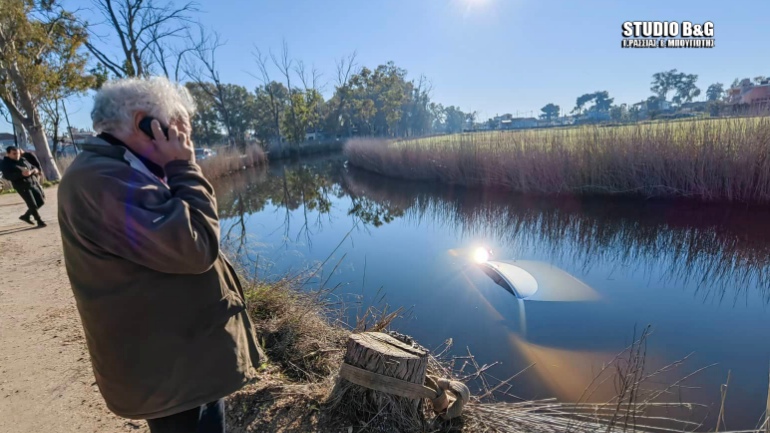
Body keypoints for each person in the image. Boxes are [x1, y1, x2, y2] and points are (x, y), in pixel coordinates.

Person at [57, 76, 264, 433]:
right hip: (168, 373)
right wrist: (184, 166)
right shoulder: (103, 180)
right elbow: (195, 246)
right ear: (145, 123)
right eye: (177, 129)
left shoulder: (120, 169)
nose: (185, 140)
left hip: (179, 360)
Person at [1, 146, 47, 227]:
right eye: (14, 154)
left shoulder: (23, 159)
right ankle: (39, 220)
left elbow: (33, 167)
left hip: (32, 183)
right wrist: (21, 174)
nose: (17, 155)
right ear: (8, 154)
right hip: (21, 186)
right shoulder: (5, 164)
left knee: (41, 201)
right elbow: (8, 176)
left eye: (18, 153)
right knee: (32, 204)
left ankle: (26, 216)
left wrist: (34, 171)